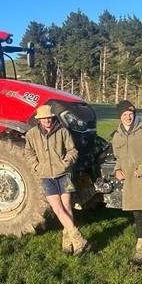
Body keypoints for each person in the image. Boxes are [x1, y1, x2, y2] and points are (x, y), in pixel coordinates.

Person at [25, 104, 90, 255]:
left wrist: (66, 163)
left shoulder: (62, 132)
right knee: (58, 209)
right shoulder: (32, 134)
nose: (47, 120)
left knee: (67, 208)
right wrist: (36, 166)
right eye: (44, 118)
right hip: (46, 177)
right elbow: (28, 152)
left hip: (64, 175)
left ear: (52, 118)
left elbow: (72, 150)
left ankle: (68, 243)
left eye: (49, 117)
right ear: (39, 120)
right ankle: (79, 239)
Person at [112, 100, 142, 266]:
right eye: (125, 114)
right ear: (120, 116)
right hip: (130, 181)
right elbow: (119, 157)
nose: (128, 117)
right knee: (137, 214)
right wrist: (117, 170)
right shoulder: (117, 135)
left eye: (131, 114)